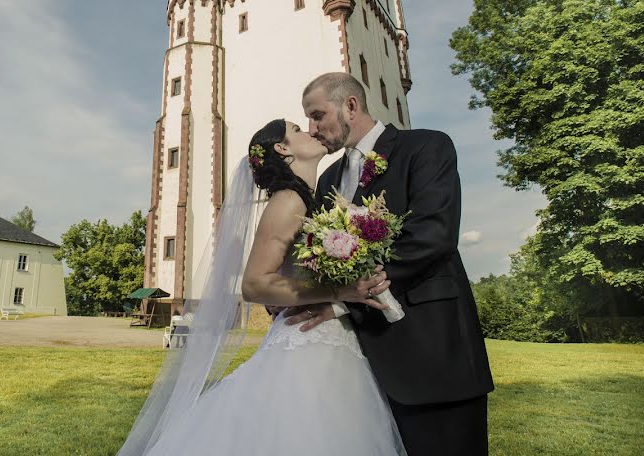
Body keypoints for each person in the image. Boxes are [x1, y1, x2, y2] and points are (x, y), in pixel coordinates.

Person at [118, 119, 406, 456]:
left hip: (329, 343)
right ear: (283, 150)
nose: (310, 131)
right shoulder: (288, 201)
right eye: (297, 130)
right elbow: (254, 284)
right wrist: (340, 292)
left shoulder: (311, 201)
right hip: (305, 347)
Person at [287, 72, 494, 456]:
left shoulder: (426, 146)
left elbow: (433, 234)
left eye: (318, 115)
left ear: (351, 105)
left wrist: (348, 295)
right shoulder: (329, 177)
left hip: (431, 354)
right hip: (359, 373)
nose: (313, 128)